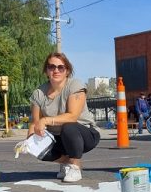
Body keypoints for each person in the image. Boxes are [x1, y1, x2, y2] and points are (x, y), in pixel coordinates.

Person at [29, 52, 100, 183]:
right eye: (51, 67)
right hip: (59, 137)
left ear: (67, 71)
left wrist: (45, 120)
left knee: (69, 127)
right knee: (35, 145)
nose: (56, 70)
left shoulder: (75, 85)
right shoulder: (38, 93)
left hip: (85, 134)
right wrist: (29, 141)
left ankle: (75, 166)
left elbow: (72, 116)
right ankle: (67, 163)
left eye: (60, 67)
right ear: (46, 70)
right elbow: (35, 123)